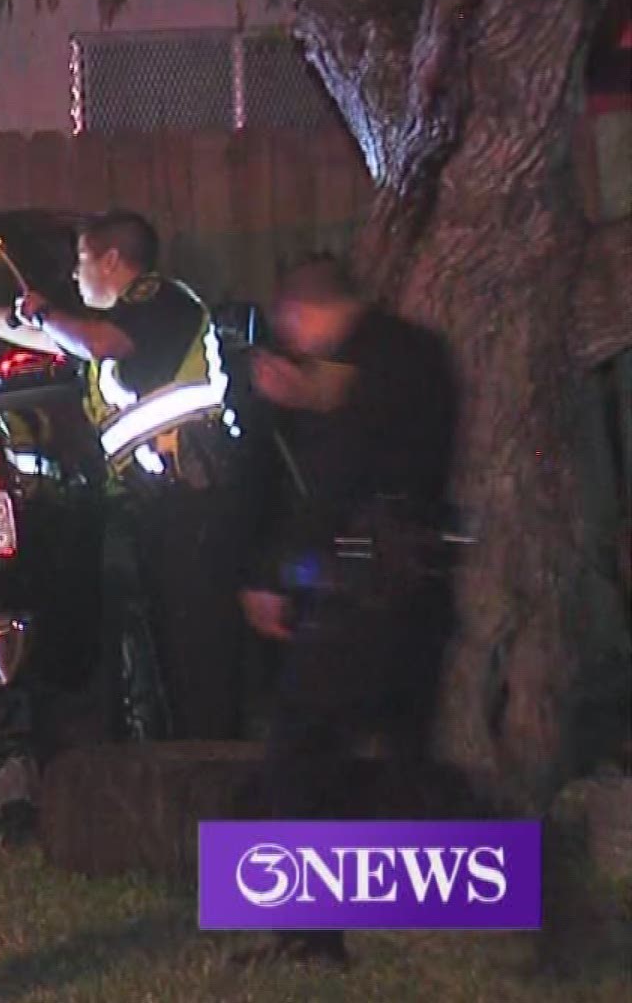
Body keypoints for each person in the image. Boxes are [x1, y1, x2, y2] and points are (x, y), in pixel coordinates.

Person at [0, 210, 250, 740]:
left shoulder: (162, 301)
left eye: (81, 262)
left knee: (200, 652)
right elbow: (50, 339)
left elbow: (95, 342)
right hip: (158, 506)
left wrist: (47, 310)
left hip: (194, 503)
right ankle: (191, 760)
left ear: (112, 260)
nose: (76, 276)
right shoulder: (113, 326)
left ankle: (218, 770)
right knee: (171, 651)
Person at [237, 254, 460, 967]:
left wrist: (279, 577)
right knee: (405, 752)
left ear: (299, 314)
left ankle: (311, 933)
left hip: (363, 589)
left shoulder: (361, 366)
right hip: (421, 583)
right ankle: (448, 915)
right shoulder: (416, 352)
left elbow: (337, 478)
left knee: (300, 752)